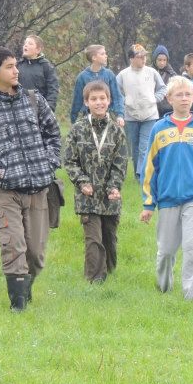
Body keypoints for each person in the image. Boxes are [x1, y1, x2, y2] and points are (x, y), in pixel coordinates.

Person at [0, 46, 61, 311]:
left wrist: (49, 163)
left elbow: (53, 134)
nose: (16, 71)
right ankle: (18, 305)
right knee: (13, 245)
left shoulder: (35, 101)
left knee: (36, 254)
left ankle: (25, 287)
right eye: (9, 67)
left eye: (16, 65)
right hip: (5, 192)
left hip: (39, 188)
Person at [140, 76, 193, 301]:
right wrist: (148, 203)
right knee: (166, 251)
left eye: (188, 94)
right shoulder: (159, 129)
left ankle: (190, 298)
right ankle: (164, 289)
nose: (184, 98)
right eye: (179, 95)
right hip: (167, 199)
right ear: (169, 99)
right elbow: (149, 168)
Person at [62, 81, 128, 283]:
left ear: (109, 100)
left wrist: (114, 186)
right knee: (93, 239)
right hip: (87, 196)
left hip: (110, 197)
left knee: (109, 237)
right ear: (86, 102)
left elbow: (120, 163)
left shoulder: (117, 131)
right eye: (94, 99)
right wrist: (82, 182)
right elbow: (69, 161)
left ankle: (110, 270)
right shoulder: (78, 129)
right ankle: (94, 279)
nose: (98, 102)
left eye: (102, 98)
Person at [116, 43, 167, 180]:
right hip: (131, 115)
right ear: (131, 58)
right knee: (135, 147)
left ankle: (142, 174)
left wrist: (154, 98)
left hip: (150, 115)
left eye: (145, 56)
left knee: (144, 146)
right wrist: (125, 102)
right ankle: (137, 173)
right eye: (140, 57)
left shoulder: (152, 72)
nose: (143, 59)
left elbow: (163, 88)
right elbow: (116, 92)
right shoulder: (123, 75)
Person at [70, 44, 124, 125]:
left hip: (108, 117)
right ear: (94, 58)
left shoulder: (109, 75)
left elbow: (117, 96)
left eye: (105, 53)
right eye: (102, 54)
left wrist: (120, 115)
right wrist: (74, 120)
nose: (106, 56)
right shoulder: (82, 77)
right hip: (88, 119)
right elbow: (77, 101)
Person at [17, 33, 59, 112]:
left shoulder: (45, 66)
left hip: (39, 107)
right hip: (20, 107)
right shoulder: (18, 65)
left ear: (38, 50)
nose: (25, 45)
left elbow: (53, 88)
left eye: (30, 44)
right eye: (25, 43)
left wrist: (49, 108)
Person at [153, 45, 178, 117]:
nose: (162, 63)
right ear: (155, 60)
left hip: (169, 110)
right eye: (159, 60)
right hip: (153, 109)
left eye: (164, 60)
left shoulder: (172, 74)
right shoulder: (149, 72)